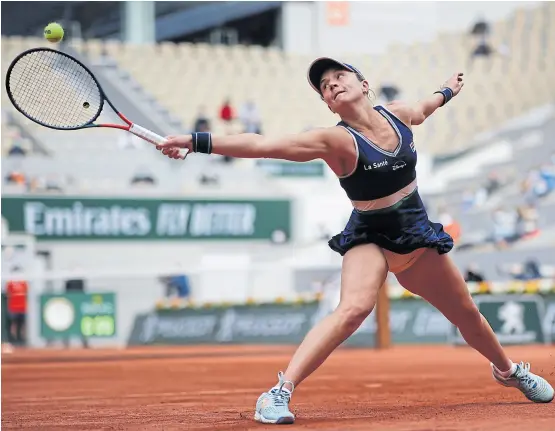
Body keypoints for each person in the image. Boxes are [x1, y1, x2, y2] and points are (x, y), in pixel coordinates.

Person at [156, 57, 554, 423]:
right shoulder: (335, 141)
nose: (331, 86)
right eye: (325, 87)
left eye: (338, 77)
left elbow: (425, 106)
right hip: (371, 237)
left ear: (364, 85)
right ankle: (277, 393)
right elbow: (263, 144)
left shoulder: (398, 116)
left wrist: (447, 89)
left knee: (466, 311)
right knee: (352, 310)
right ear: (330, 106)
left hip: (416, 235)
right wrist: (194, 142)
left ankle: (508, 371)